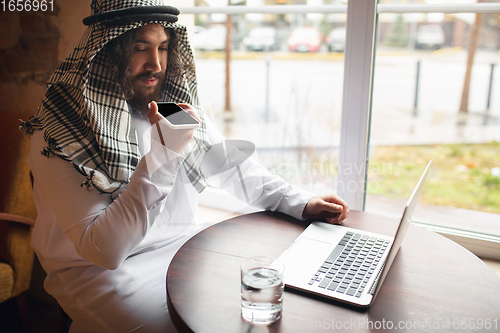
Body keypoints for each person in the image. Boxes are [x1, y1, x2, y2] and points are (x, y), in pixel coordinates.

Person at [21, 1, 349, 332]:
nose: (156, 64)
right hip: (101, 274)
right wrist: (163, 155)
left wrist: (301, 202)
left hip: (184, 247)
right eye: (140, 48)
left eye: (163, 48)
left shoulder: (169, 105)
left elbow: (231, 166)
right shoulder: (59, 133)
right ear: (107, 50)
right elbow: (104, 251)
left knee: (265, 309)